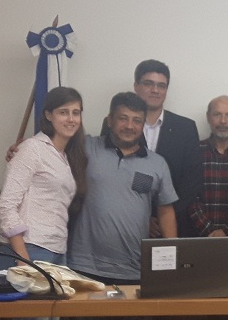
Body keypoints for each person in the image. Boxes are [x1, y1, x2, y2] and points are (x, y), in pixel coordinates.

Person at [0, 87, 87, 320]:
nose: (71, 119)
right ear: (48, 115)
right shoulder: (32, 149)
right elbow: (6, 206)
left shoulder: (65, 156)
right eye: (63, 112)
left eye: (76, 112)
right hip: (28, 250)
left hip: (57, 253)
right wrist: (23, 259)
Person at [67, 92, 178, 284]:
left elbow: (166, 212)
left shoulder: (157, 164)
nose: (129, 126)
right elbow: (50, 148)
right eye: (123, 118)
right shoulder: (86, 147)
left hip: (133, 269)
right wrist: (21, 149)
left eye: (137, 121)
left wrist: (171, 260)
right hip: (83, 266)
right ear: (110, 121)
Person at [101, 60, 201, 237]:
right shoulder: (118, 124)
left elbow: (191, 183)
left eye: (161, 86)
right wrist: (143, 217)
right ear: (136, 86)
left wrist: (164, 216)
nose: (155, 90)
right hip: (124, 224)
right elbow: (109, 173)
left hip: (174, 224)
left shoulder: (186, 128)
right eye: (148, 84)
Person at [188, 95, 228, 237]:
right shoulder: (194, 151)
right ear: (208, 117)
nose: (223, 121)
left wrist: (227, 231)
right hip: (197, 236)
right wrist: (209, 230)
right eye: (217, 114)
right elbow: (188, 196)